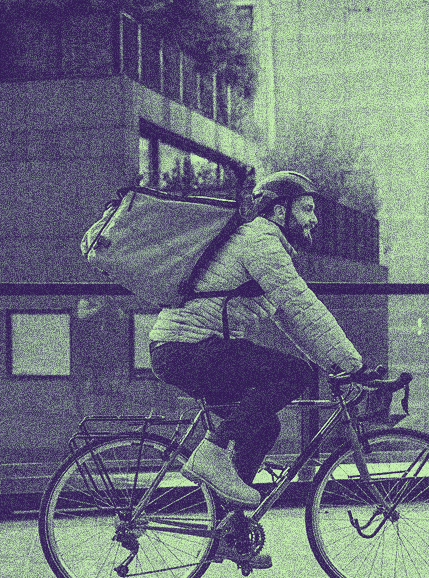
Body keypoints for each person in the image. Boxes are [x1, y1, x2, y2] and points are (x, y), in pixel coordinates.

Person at [148, 171, 365, 565]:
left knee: (264, 425)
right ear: (279, 210)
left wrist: (335, 365)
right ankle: (212, 453)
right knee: (296, 374)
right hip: (189, 348)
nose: (313, 218)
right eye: (307, 208)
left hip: (184, 349)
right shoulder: (260, 240)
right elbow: (303, 305)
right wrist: (352, 364)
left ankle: (226, 534)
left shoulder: (265, 243)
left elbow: (292, 320)